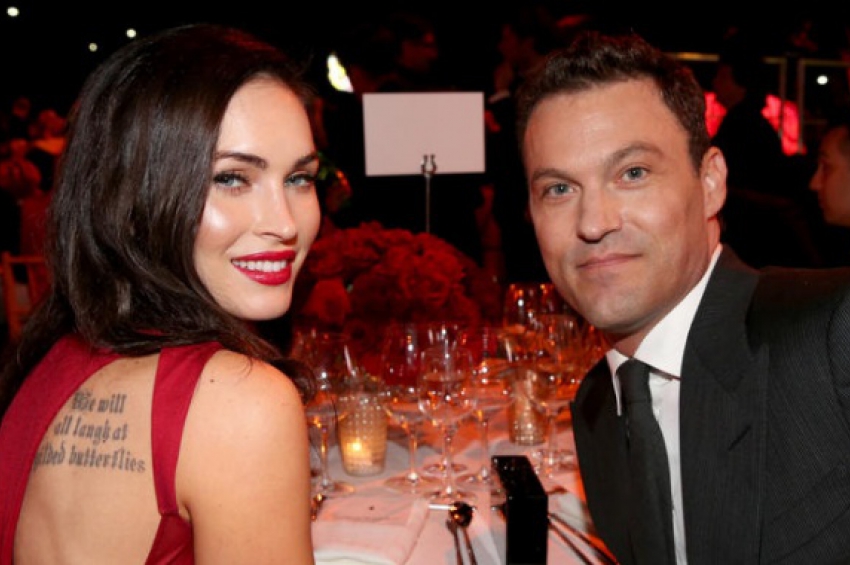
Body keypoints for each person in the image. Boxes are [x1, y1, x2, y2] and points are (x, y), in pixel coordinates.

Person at [516, 30, 850, 564]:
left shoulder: (832, 336)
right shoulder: (597, 407)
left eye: (633, 173)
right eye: (559, 189)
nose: (593, 223)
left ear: (710, 182)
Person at [0, 23, 319, 564]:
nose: (285, 223)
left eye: (299, 179)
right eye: (231, 178)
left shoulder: (46, 355)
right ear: (133, 196)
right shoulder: (243, 403)